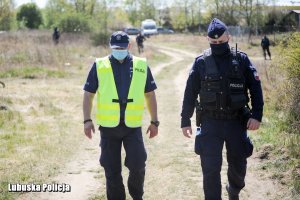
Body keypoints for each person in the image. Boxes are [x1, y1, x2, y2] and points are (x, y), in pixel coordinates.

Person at [181, 18, 264, 200]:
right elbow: (190, 93)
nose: (218, 44)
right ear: (208, 40)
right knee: (210, 170)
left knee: (238, 168)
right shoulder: (201, 62)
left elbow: (256, 88)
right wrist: (185, 120)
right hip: (210, 123)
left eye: (221, 41)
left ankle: (233, 191)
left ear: (228, 36)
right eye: (214, 42)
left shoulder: (241, 59)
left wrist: (257, 115)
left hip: (236, 122)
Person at [83, 31, 159, 200]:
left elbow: (150, 95)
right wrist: (87, 120)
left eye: (122, 47)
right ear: (110, 47)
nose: (119, 50)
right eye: (116, 47)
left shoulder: (141, 65)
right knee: (111, 169)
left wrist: (155, 121)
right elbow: (88, 94)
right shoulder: (99, 65)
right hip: (109, 128)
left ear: (129, 46)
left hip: (132, 127)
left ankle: (137, 195)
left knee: (138, 164)